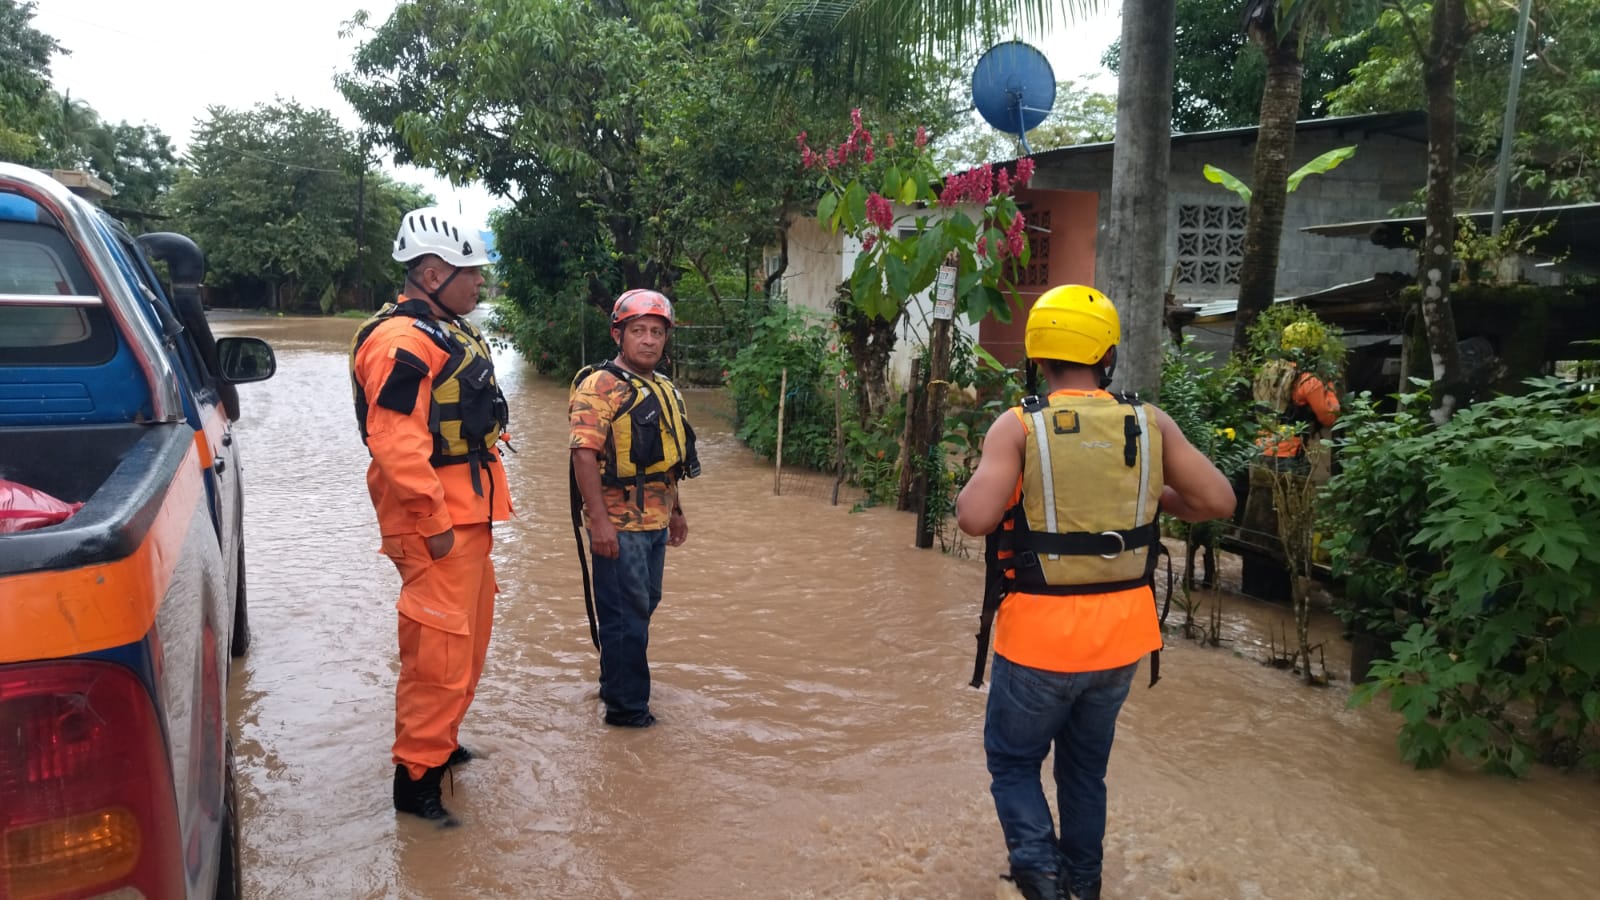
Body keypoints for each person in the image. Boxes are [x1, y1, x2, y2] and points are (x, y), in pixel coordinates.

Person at [955, 284, 1236, 900]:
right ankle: (1084, 884)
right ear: (1106, 354)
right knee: (1085, 772)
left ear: (1037, 354)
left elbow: (974, 518)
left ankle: (1039, 874)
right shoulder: (1149, 421)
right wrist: (1154, 495)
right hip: (1120, 642)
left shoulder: (1018, 426)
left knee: (1013, 763)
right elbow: (1218, 500)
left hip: (1037, 641)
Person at [349, 206, 512, 827]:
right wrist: (433, 521)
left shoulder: (443, 330)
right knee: (439, 652)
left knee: (466, 642)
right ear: (435, 271)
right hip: (436, 521)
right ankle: (415, 781)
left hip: (467, 514)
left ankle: (439, 744)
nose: (480, 284)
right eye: (472, 273)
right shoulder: (402, 342)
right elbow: (395, 441)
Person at [569, 288, 699, 729]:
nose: (648, 340)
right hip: (618, 524)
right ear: (618, 335)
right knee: (626, 615)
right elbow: (583, 454)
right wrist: (599, 522)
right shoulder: (600, 386)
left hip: (656, 518)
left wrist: (677, 511)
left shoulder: (662, 386)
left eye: (657, 332)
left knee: (642, 606)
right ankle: (628, 712)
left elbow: (666, 459)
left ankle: (615, 684)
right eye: (639, 331)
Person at [1253, 319, 1341, 468]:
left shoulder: (1265, 371)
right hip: (1289, 453)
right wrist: (1329, 389)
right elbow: (1329, 417)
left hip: (1260, 450)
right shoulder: (1308, 380)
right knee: (1290, 491)